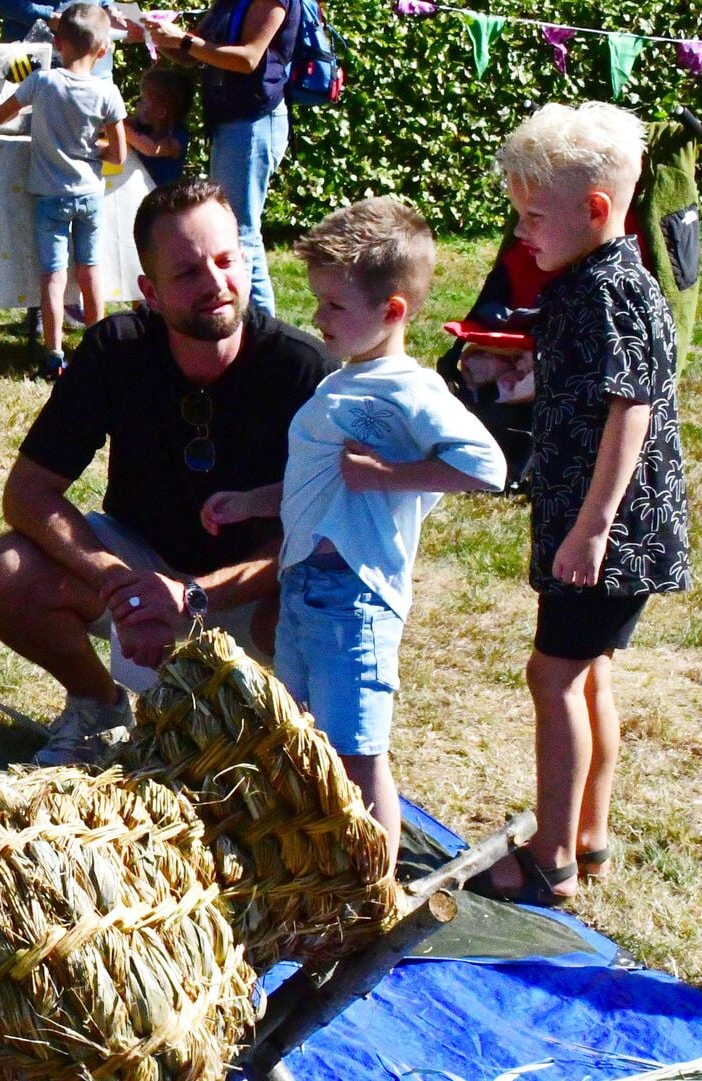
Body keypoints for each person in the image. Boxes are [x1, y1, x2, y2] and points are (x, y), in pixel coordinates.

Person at [0, 177, 335, 766]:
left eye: (225, 261)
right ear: (151, 292)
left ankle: (279, 733)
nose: (216, 284)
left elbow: (318, 538)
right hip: (139, 569)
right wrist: (116, 580)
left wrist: (191, 597)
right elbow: (28, 494)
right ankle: (98, 707)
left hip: (253, 590)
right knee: (4, 572)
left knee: (324, 600)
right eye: (189, 273)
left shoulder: (302, 369)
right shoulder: (116, 349)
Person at [200, 198, 505, 858]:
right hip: (306, 589)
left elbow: (488, 466)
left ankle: (373, 895)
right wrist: (255, 502)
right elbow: (332, 475)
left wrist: (391, 477)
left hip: (356, 598)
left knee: (359, 751)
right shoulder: (349, 380)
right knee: (302, 734)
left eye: (335, 306)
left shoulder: (406, 388)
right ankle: (315, 864)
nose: (317, 318)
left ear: (392, 311)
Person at [467, 102, 690, 908]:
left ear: (595, 210)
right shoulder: (585, 283)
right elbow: (590, 387)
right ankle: (588, 833)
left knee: (552, 674)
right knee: (588, 671)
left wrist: (593, 526)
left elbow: (632, 406)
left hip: (608, 530)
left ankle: (551, 855)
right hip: (586, 521)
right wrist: (518, 382)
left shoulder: (609, 291)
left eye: (533, 215)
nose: (521, 230)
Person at [0, 3, 127, 381]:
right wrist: (90, 148)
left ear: (57, 42)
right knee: (90, 272)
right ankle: (99, 349)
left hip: (50, 196)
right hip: (89, 194)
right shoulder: (108, 92)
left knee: (53, 277)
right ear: (102, 50)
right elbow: (118, 154)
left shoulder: (42, 82)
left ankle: (54, 355)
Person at [145, 0, 298, 316]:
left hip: (253, 122)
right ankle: (252, 328)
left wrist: (184, 40)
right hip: (230, 123)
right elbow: (195, 55)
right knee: (237, 227)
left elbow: (248, 58)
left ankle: (262, 332)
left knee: (241, 231)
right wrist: (157, 36)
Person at [125, 65, 194, 189]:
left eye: (143, 100)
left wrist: (123, 130)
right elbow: (115, 123)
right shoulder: (143, 126)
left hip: (163, 198)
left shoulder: (175, 136)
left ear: (161, 113)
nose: (138, 103)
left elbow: (152, 149)